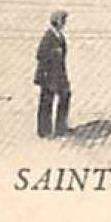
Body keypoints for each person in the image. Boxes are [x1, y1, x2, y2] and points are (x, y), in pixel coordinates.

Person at [34, 10, 71, 138]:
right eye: (63, 21)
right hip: (48, 75)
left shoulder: (59, 35)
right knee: (47, 102)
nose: (65, 23)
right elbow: (40, 55)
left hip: (59, 73)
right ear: (58, 22)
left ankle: (61, 127)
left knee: (65, 96)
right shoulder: (48, 37)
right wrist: (54, 53)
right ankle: (44, 131)